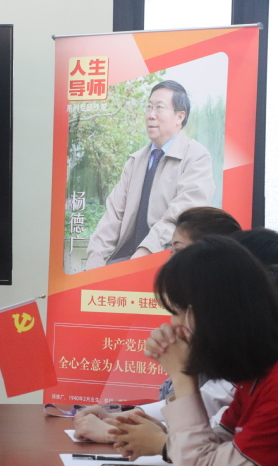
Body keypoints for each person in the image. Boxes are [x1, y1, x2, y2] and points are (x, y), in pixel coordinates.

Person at [73, 207, 240, 443]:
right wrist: (124, 417)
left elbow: (207, 438)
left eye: (178, 251)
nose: (175, 323)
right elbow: (208, 417)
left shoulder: (243, 343)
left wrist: (122, 433)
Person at [109, 236, 278, 464]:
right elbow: (219, 446)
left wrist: (182, 374)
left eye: (180, 310)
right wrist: (169, 437)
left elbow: (200, 461)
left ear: (215, 310)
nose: (175, 323)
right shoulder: (255, 378)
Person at [86, 80, 215, 270]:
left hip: (171, 262)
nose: (151, 115)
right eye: (149, 107)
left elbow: (183, 216)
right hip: (129, 260)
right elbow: (113, 217)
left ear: (179, 116)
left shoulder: (196, 157)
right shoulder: (135, 161)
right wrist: (93, 265)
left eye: (159, 107)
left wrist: (145, 252)